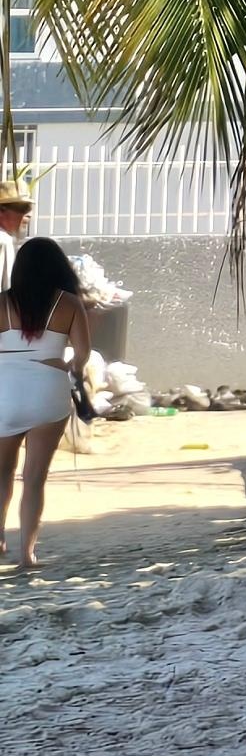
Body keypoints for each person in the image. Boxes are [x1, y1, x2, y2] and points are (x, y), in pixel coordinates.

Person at [0, 232, 89, 571]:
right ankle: (27, 555)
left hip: (5, 391)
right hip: (48, 390)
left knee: (1, 474)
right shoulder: (69, 303)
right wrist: (66, 365)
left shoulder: (1, 302)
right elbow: (81, 355)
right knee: (34, 477)